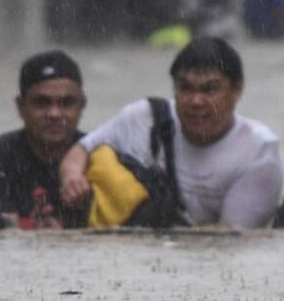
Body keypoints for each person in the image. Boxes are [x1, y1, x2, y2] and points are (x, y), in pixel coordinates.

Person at [60, 38, 283, 229]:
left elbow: (231, 238)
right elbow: (82, 150)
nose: (196, 101)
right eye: (185, 88)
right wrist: (72, 178)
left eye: (209, 89)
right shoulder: (144, 118)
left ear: (237, 90)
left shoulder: (258, 152)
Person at [0, 50, 88, 229]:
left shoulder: (99, 155)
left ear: (81, 105)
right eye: (42, 103)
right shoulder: (0, 155)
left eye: (66, 103)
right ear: (21, 107)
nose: (54, 114)